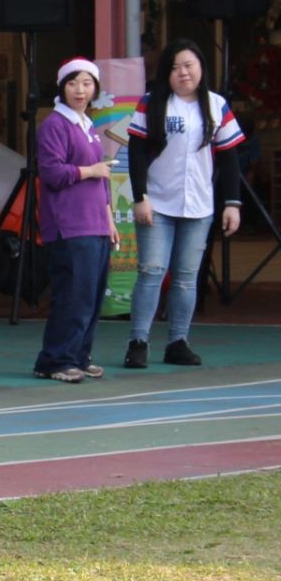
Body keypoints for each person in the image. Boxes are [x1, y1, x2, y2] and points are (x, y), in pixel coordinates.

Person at [123, 38, 244, 368]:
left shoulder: (217, 105)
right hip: (157, 203)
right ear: (167, 73)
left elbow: (229, 157)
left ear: (201, 68)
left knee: (187, 277)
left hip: (199, 206)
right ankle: (138, 342)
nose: (183, 73)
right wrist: (140, 197)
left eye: (189, 65)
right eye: (175, 67)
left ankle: (178, 342)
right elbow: (136, 152)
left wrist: (232, 203)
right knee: (151, 272)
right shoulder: (152, 103)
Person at [33, 58, 121, 383]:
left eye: (86, 83)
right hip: (70, 225)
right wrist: (90, 171)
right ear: (62, 87)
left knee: (92, 296)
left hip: (94, 223)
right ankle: (57, 360)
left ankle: (79, 356)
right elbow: (52, 172)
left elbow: (103, 181)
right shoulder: (55, 125)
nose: (80, 90)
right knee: (73, 294)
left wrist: (109, 219)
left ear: (95, 88)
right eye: (72, 83)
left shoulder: (87, 124)